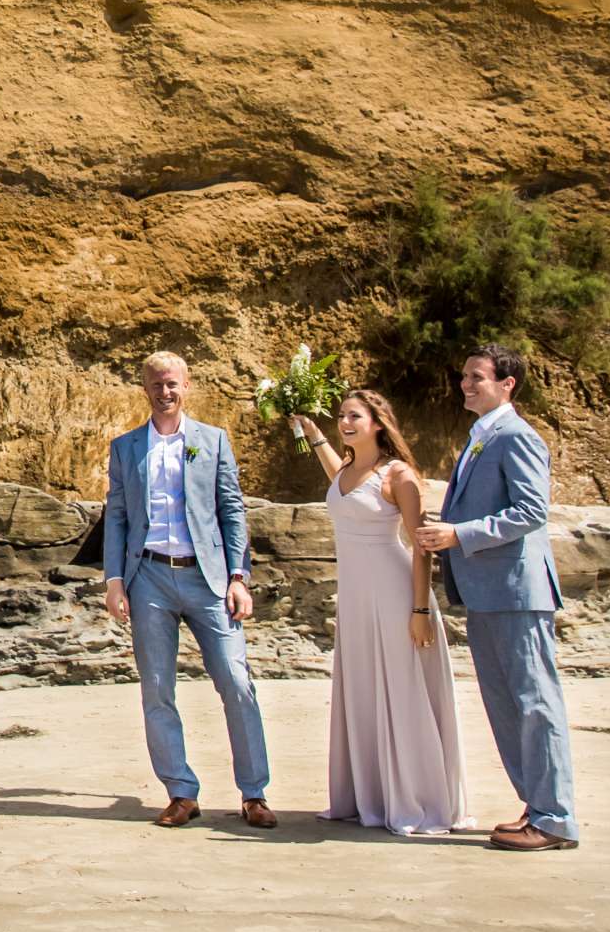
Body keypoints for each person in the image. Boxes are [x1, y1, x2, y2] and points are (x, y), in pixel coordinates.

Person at [414, 344, 580, 851]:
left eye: (477, 377)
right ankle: (536, 807)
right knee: (506, 706)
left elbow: (531, 511)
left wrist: (458, 535)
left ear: (508, 385)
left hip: (516, 590)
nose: (465, 384)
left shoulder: (516, 436)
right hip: (488, 593)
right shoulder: (481, 437)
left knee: (535, 703)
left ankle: (555, 819)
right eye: (464, 376)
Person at [101, 352, 273, 830]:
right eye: (156, 384)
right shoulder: (125, 447)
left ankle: (254, 793)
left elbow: (233, 511)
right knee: (157, 688)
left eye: (173, 384)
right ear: (145, 389)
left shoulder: (213, 441)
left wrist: (239, 577)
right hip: (148, 576)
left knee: (237, 683)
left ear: (187, 386)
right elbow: (116, 516)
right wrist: (114, 580)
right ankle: (180, 791)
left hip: (209, 578)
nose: (165, 392)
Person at [293, 392, 471, 836]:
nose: (345, 422)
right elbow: (341, 482)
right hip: (354, 596)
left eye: (355, 416)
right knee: (364, 688)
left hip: (394, 593)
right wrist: (314, 435)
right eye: (340, 417)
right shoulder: (347, 470)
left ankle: (416, 799)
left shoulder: (399, 475)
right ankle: (370, 795)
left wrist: (419, 609)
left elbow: (420, 547)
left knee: (401, 688)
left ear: (378, 422)